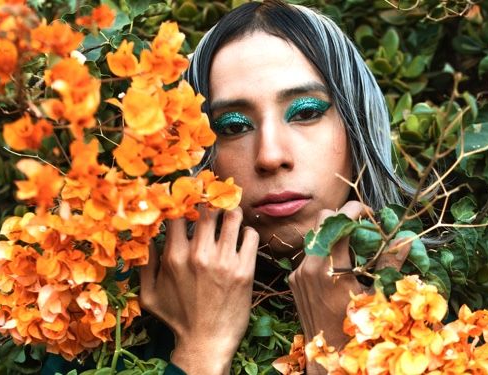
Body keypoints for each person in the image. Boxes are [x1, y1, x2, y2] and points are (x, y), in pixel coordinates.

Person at [43, 1, 415, 374]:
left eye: (305, 112)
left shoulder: (440, 316)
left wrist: (337, 347)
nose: (270, 156)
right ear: (196, 151)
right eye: (233, 126)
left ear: (357, 127)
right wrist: (201, 349)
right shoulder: (101, 316)